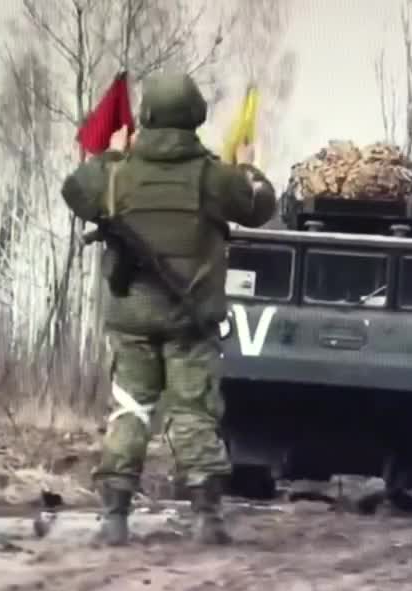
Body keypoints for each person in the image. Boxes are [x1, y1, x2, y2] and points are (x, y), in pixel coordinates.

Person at [61, 71, 278, 546]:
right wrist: (248, 168)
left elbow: (75, 189)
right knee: (193, 411)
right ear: (195, 118)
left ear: (148, 116)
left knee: (130, 409)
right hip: (189, 320)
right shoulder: (212, 177)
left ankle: (115, 516)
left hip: (131, 317)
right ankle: (206, 517)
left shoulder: (118, 173)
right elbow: (261, 207)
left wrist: (115, 152)